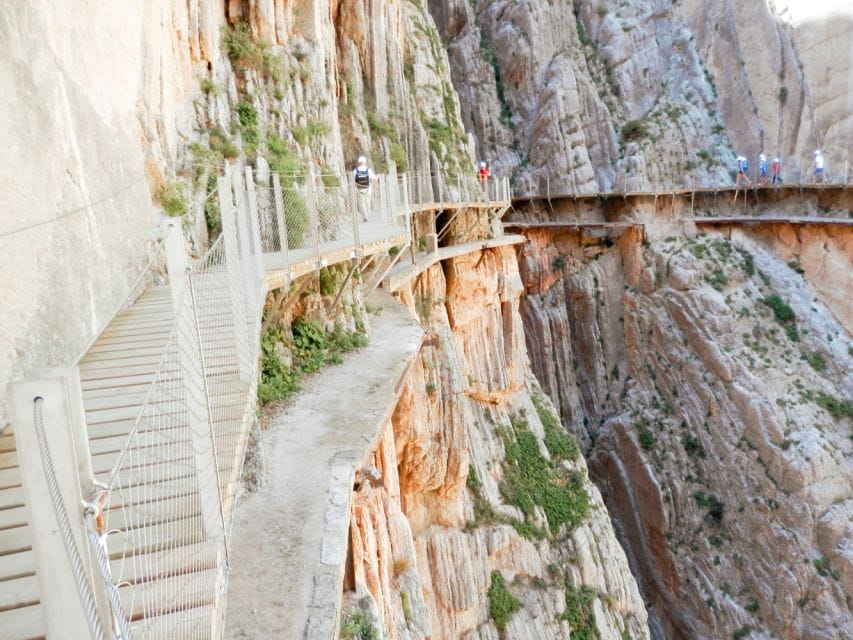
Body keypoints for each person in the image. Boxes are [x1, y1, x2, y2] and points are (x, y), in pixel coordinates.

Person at [352, 155, 374, 222]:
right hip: (368, 189)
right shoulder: (368, 170)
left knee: (361, 203)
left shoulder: (355, 171)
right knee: (367, 202)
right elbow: (373, 178)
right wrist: (377, 177)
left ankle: (365, 216)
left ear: (359, 162)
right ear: (365, 162)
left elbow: (353, 179)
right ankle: (367, 214)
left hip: (359, 189)